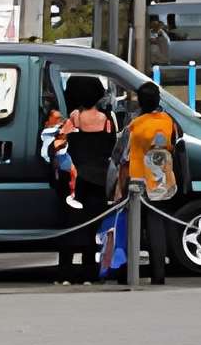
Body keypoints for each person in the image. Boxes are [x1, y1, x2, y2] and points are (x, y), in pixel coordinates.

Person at [54, 73, 118, 284]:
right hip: (99, 180)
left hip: (75, 179)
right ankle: (90, 273)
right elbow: (112, 148)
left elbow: (59, 145)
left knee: (71, 227)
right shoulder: (108, 120)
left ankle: (65, 273)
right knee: (93, 228)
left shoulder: (72, 120)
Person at [125, 80, 184, 286]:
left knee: (133, 227)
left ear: (140, 102)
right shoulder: (169, 121)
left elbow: (122, 154)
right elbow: (176, 146)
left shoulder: (134, 125)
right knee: (156, 226)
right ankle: (158, 274)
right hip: (161, 181)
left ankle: (130, 273)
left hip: (137, 180)